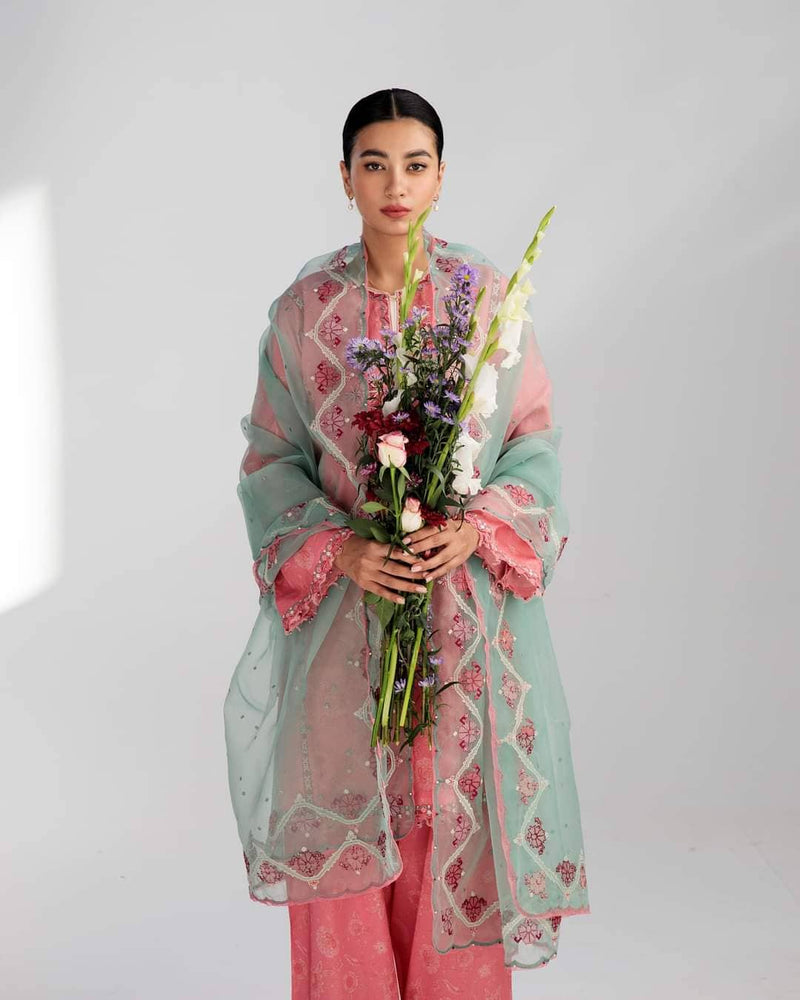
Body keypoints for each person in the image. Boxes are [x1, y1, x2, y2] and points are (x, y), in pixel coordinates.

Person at [223, 88, 590, 1000]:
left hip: (462, 622)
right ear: (345, 177)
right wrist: (342, 551)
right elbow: (271, 458)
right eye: (375, 165)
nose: (396, 185)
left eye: (415, 165)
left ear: (440, 177)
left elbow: (532, 442)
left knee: (451, 836)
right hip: (348, 623)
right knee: (349, 845)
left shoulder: (485, 300)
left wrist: (474, 528)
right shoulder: (306, 311)